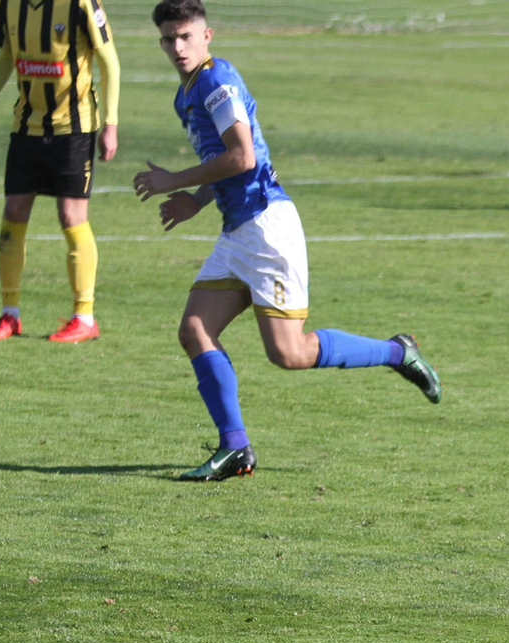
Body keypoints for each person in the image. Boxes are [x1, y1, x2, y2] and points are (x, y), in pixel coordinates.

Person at [132, 0, 439, 482]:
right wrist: (196, 199)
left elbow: (243, 157)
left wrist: (175, 182)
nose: (177, 47)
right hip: (238, 229)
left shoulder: (216, 79)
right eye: (169, 38)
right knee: (194, 330)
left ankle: (397, 351)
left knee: (289, 354)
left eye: (185, 36)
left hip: (266, 227)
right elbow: (223, 160)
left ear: (207, 36)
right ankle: (235, 447)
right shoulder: (184, 94)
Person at [0, 0, 119, 342]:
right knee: (13, 211)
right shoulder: (10, 4)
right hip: (26, 126)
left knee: (71, 216)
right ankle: (9, 315)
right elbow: (6, 57)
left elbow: (110, 63)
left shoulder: (80, 4)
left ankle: (84, 317)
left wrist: (111, 123)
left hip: (74, 127)